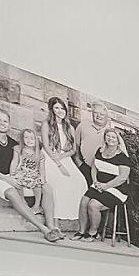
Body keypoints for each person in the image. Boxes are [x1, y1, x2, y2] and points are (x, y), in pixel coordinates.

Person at [0, 108, 61, 242]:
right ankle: (44, 229)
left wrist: (32, 176)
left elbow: (26, 161)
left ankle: (51, 226)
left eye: (5, 121)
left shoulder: (14, 144)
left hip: (12, 176)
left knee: (46, 187)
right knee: (12, 192)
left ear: (9, 123)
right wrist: (6, 178)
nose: (2, 123)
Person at [78, 126, 133, 241]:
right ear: (105, 137)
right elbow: (94, 167)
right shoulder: (100, 150)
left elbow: (122, 178)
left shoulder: (123, 157)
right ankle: (81, 231)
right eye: (108, 136)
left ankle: (93, 233)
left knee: (93, 205)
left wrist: (106, 186)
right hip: (99, 185)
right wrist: (95, 181)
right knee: (84, 201)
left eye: (113, 137)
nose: (110, 138)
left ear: (118, 140)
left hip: (116, 189)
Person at [40, 96, 87, 230]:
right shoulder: (46, 124)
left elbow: (73, 150)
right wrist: (58, 164)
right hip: (49, 155)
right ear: (52, 109)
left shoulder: (69, 127)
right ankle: (55, 223)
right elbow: (46, 145)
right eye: (56, 108)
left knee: (80, 181)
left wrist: (63, 156)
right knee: (58, 182)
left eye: (62, 108)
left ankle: (75, 218)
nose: (60, 111)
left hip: (63, 156)